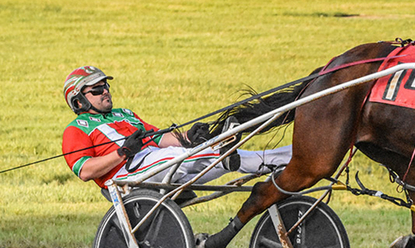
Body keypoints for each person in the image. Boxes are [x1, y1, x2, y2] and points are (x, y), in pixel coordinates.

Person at [61, 66, 291, 191]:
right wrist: (123, 153)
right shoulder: (76, 129)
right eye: (97, 90)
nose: (105, 92)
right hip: (127, 176)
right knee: (179, 156)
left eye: (106, 87)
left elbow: (161, 139)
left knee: (230, 158)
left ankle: (289, 158)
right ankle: (218, 148)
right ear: (78, 101)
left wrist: (190, 137)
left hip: (160, 163)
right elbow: (85, 171)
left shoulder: (125, 114)